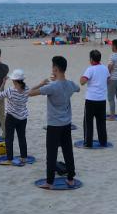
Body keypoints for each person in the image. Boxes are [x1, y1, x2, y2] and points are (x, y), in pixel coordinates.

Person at [29, 56, 80, 189]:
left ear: (55, 68)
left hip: (54, 125)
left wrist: (42, 84)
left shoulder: (52, 86)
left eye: (53, 67)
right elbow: (78, 88)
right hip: (66, 124)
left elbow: (30, 93)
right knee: (68, 151)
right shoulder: (70, 84)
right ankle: (70, 178)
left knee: (51, 154)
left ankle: (49, 182)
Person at [0, 69, 30, 164]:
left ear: (14, 80)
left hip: (11, 117)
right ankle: (24, 157)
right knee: (22, 137)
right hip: (23, 117)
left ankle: (10, 158)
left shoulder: (10, 91)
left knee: (9, 138)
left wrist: (3, 83)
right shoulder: (26, 89)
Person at [80, 49, 109, 147]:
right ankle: (103, 141)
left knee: (88, 122)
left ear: (91, 59)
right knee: (101, 123)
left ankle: (88, 142)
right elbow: (108, 80)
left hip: (91, 99)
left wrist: (82, 77)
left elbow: (82, 82)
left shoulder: (90, 69)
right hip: (102, 99)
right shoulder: (105, 68)